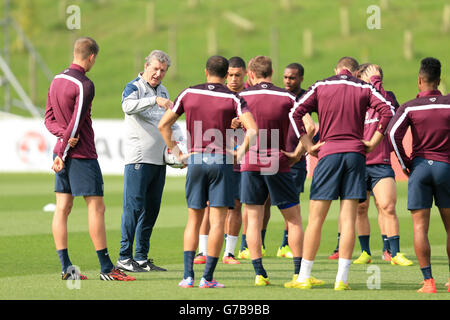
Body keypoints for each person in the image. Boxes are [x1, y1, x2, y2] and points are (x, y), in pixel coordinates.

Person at [287, 56, 394, 290]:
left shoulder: (321, 85)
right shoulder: (364, 87)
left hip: (328, 153)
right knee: (348, 218)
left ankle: (304, 277)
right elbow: (388, 111)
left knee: (316, 218)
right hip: (355, 155)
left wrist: (307, 145)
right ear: (355, 73)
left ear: (336, 69)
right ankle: (341, 280)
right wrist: (374, 142)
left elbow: (294, 112)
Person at [158, 55, 258, 288]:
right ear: (226, 76)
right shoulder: (233, 97)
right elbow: (252, 129)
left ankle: (187, 277)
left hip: (195, 160)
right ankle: (208, 278)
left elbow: (163, 124)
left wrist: (178, 153)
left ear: (206, 72)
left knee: (193, 220)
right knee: (216, 221)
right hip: (221, 160)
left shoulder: (188, 93)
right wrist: (239, 153)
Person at [44, 37, 135, 281]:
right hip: (80, 155)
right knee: (96, 207)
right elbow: (76, 122)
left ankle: (66, 268)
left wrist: (60, 144)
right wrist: (64, 149)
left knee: (62, 208)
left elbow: (48, 120)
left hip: (60, 152)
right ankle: (106, 268)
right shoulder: (84, 84)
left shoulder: (56, 79)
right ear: (92, 57)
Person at [239, 56, 319, 287]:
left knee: (253, 220)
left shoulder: (242, 97)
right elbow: (309, 126)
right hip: (278, 161)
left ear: (251, 75)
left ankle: (259, 274)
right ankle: (298, 273)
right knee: (293, 220)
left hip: (250, 163)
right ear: (272, 73)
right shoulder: (287, 97)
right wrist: (298, 153)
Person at [389, 57, 450, 293]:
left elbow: (393, 135)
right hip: (446, 168)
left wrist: (406, 164)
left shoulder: (410, 106)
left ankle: (428, 282)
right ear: (439, 81)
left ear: (419, 80)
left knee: (419, 228)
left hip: (421, 168)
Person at [116, 50, 177, 273]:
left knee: (151, 209)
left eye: (162, 70)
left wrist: (179, 148)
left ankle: (140, 258)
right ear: (146, 66)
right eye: (155, 69)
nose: (158, 73)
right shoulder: (134, 87)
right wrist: (154, 100)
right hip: (138, 160)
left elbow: (170, 123)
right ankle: (124, 257)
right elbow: (126, 106)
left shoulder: (163, 90)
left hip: (159, 161)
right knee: (133, 208)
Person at [351, 63, 413, 266]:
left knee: (387, 205)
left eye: (364, 76)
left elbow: (391, 115)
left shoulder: (389, 96)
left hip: (380, 162)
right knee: (361, 208)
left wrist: (376, 82)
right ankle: (365, 251)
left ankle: (394, 252)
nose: (360, 80)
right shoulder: (355, 96)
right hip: (358, 161)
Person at [194, 56, 248, 265]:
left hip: (239, 160)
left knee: (235, 205)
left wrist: (241, 123)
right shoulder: (217, 96)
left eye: (237, 75)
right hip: (216, 157)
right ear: (226, 76)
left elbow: (256, 127)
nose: (233, 79)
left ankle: (229, 253)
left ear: (245, 75)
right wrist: (228, 123)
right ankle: (202, 251)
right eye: (231, 75)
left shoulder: (246, 98)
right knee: (208, 205)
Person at [277, 63, 316, 259]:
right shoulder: (281, 98)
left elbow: (311, 128)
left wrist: (298, 153)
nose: (287, 81)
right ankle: (250, 246)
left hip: (295, 161)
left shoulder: (304, 99)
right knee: (264, 202)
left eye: (292, 78)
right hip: (277, 155)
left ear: (301, 78)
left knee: (292, 204)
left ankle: (286, 244)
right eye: (285, 77)